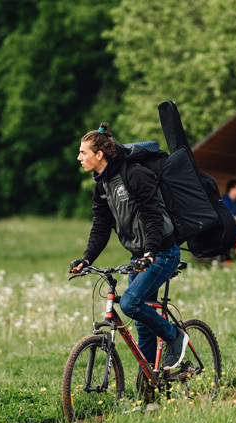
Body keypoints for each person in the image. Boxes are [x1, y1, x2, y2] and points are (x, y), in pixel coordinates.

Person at [69, 123, 188, 369]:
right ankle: (150, 389)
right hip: (140, 256)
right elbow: (101, 226)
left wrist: (150, 252)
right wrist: (87, 259)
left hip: (162, 252)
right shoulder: (101, 185)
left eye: (83, 153)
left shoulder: (134, 174)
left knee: (130, 303)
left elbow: (153, 216)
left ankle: (175, 336)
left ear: (99, 155)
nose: (79, 158)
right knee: (142, 327)